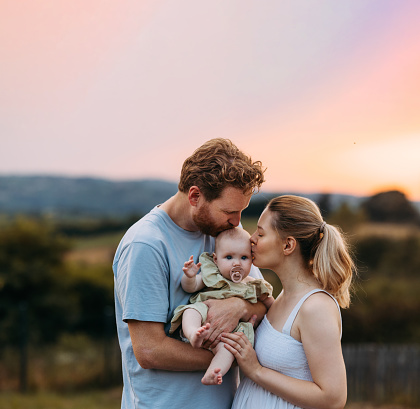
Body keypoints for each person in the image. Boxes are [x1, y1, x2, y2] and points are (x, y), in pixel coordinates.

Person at [112, 138, 267, 409]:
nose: (237, 222)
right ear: (195, 196)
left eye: (241, 211)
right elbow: (150, 351)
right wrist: (228, 357)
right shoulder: (146, 244)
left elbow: (263, 303)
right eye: (230, 211)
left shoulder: (224, 235)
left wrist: (237, 305)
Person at [221, 195, 355, 409]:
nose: (251, 239)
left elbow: (333, 398)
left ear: (288, 245)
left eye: (261, 233)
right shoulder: (281, 297)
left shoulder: (315, 307)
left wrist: (257, 371)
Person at [169, 227, 274, 385]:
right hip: (205, 313)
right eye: (229, 257)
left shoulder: (254, 285)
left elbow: (272, 307)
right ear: (216, 260)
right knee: (192, 310)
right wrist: (189, 276)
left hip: (229, 334)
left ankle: (213, 372)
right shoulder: (212, 275)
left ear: (252, 260)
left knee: (228, 349)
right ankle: (193, 334)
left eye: (244, 257)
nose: (236, 263)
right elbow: (190, 287)